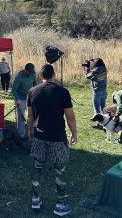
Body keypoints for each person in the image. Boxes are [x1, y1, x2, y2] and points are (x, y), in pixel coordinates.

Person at [27, 64, 77, 216]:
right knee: (60, 170)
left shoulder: (32, 91)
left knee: (37, 167)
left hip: (39, 136)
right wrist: (74, 133)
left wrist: (30, 130)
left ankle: (35, 199)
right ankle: (61, 205)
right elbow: (70, 117)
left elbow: (30, 116)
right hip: (57, 137)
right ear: (54, 75)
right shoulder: (62, 92)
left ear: (40, 76)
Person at [12, 63, 37, 139]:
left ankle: (33, 132)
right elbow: (14, 90)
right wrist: (17, 98)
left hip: (30, 97)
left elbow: (34, 83)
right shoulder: (19, 77)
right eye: (29, 72)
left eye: (31, 72)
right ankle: (21, 134)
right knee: (21, 117)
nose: (30, 73)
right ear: (25, 70)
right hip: (21, 98)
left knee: (33, 115)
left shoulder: (33, 74)